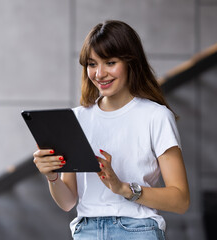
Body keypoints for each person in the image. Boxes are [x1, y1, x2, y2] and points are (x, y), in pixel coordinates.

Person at [32, 20, 190, 240]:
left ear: (130, 62)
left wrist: (124, 189)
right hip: (86, 232)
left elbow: (180, 200)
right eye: (92, 64)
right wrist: (52, 177)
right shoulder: (77, 118)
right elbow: (68, 202)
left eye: (110, 62)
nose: (99, 74)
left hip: (138, 231)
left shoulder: (156, 116)